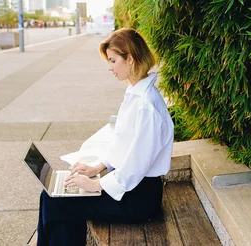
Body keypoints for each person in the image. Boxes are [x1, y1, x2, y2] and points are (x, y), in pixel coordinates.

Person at [35, 28, 174, 245]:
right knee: (50, 195)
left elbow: (136, 166)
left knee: (58, 203)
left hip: (137, 198)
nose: (109, 67)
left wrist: (94, 185)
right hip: (129, 187)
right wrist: (97, 168)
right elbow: (123, 145)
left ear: (130, 59)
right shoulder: (135, 93)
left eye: (113, 60)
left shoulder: (147, 106)